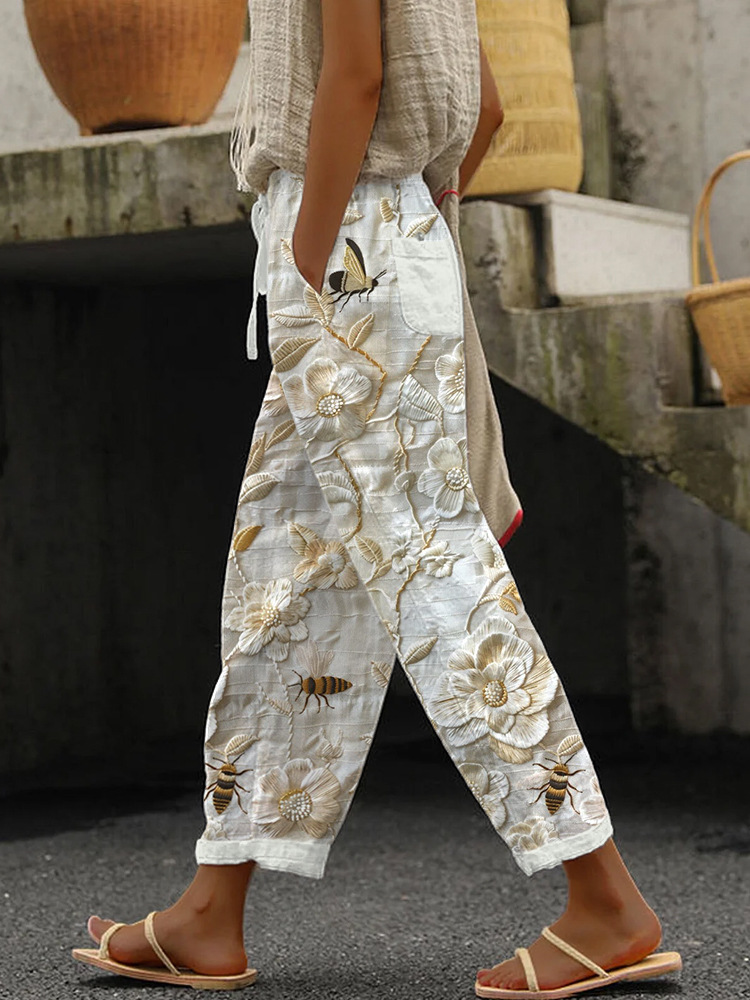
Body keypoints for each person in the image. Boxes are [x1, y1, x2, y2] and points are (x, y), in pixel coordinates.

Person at [72, 1, 683, 996]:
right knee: (286, 590)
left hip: (342, 265)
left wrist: (307, 259)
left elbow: (356, 76)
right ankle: (210, 910)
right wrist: (404, 229)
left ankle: (606, 897)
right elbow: (482, 103)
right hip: (380, 247)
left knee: (442, 588)